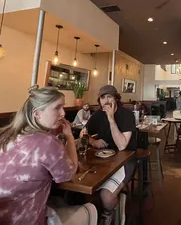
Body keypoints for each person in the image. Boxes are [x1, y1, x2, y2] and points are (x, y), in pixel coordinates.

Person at [0, 85, 97, 225]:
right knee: (91, 208)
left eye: (63, 107)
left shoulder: (6, 137)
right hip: (27, 219)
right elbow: (69, 173)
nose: (63, 113)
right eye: (57, 107)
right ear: (37, 113)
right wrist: (69, 136)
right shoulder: (47, 142)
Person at [84, 85, 136, 225]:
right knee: (84, 190)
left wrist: (111, 119)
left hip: (125, 160)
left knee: (106, 196)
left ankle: (109, 214)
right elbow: (84, 133)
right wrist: (93, 141)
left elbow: (121, 145)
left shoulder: (126, 115)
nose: (106, 101)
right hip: (101, 160)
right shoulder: (98, 115)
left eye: (109, 97)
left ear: (116, 99)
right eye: (102, 97)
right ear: (99, 101)